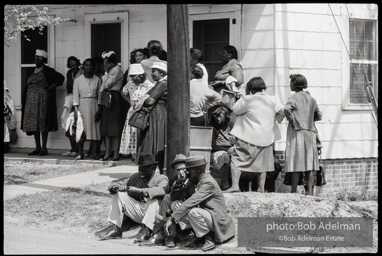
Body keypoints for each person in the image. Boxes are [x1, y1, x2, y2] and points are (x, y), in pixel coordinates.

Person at [225, 77, 285, 193]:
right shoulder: (272, 99)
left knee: (237, 159)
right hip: (266, 137)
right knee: (263, 164)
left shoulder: (248, 99)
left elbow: (236, 110)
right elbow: (283, 110)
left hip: (248, 136)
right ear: (264, 88)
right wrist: (276, 119)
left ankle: (235, 186)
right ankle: (261, 188)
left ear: (250, 89)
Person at [164, 156, 236, 251]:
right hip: (206, 216)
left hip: (216, 219)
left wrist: (172, 219)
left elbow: (192, 201)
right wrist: (178, 182)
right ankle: (197, 234)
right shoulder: (195, 181)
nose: (186, 173)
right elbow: (174, 198)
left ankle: (208, 238)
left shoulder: (208, 182)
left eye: (188, 170)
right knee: (176, 204)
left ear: (196, 170)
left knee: (192, 212)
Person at [95, 152, 169, 241]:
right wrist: (116, 187)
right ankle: (116, 228)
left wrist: (140, 191)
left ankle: (147, 231)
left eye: (145, 169)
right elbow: (118, 184)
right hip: (138, 212)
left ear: (153, 168)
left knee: (153, 198)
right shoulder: (135, 176)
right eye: (140, 168)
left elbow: (162, 190)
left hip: (153, 215)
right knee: (117, 194)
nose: (141, 172)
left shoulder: (161, 178)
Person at [141, 154, 195, 247]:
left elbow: (194, 197)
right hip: (176, 207)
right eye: (178, 170)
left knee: (175, 204)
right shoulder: (175, 180)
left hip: (189, 208)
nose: (181, 172)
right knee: (167, 198)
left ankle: (166, 234)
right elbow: (172, 196)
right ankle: (161, 234)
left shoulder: (193, 178)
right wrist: (178, 182)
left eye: (183, 169)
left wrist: (186, 183)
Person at [21, 49, 65, 156]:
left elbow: (60, 78)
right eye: (36, 58)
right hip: (31, 100)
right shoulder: (31, 71)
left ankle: (44, 148)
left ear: (43, 59)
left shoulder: (48, 70)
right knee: (34, 124)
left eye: (39, 58)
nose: (36, 60)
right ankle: (37, 148)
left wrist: (50, 87)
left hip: (42, 100)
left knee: (43, 123)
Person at [284, 74, 322, 196]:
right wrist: (309, 119)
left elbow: (286, 109)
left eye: (291, 83)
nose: (289, 85)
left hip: (297, 132)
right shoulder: (312, 99)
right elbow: (319, 115)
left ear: (295, 84)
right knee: (309, 163)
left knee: (296, 161)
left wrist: (292, 119)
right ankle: (310, 192)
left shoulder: (293, 97)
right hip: (310, 133)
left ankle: (294, 190)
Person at [135, 62, 168, 174]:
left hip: (157, 115)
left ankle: (150, 171)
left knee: (152, 143)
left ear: (162, 73)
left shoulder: (162, 83)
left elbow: (150, 101)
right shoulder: (161, 83)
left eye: (154, 71)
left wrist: (143, 98)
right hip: (159, 114)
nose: (152, 73)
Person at [119, 64, 154, 160]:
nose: (133, 79)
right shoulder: (130, 84)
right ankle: (134, 155)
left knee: (142, 134)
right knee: (132, 133)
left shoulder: (149, 85)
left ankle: (143, 155)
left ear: (141, 75)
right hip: (132, 112)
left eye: (135, 76)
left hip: (144, 113)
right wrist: (129, 101)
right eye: (131, 76)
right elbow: (123, 93)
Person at [72, 58, 102, 160]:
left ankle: (94, 152)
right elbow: (75, 96)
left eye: (90, 65)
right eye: (86, 65)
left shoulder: (97, 79)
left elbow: (100, 96)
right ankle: (81, 153)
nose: (88, 67)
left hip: (94, 105)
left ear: (93, 67)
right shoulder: (78, 80)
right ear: (83, 67)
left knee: (94, 129)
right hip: (82, 105)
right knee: (81, 129)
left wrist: (100, 109)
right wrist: (76, 111)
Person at [100, 51, 124, 161]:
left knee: (115, 126)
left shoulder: (116, 70)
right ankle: (108, 151)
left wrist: (105, 73)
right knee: (106, 127)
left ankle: (116, 152)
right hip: (107, 98)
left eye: (106, 60)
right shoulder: (110, 71)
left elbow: (107, 84)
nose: (105, 63)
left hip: (114, 97)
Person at [209, 105, 236, 190]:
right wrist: (227, 150)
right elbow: (212, 146)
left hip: (232, 148)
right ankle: (225, 184)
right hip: (218, 150)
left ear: (226, 116)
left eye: (220, 116)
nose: (218, 118)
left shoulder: (230, 127)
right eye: (216, 116)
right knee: (223, 156)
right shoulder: (212, 128)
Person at [61, 56, 83, 157]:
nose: (73, 67)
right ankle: (72, 148)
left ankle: (78, 149)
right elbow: (68, 87)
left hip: (79, 99)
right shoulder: (69, 73)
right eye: (71, 65)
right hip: (70, 97)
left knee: (78, 124)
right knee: (68, 122)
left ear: (78, 63)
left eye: (75, 65)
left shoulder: (82, 72)